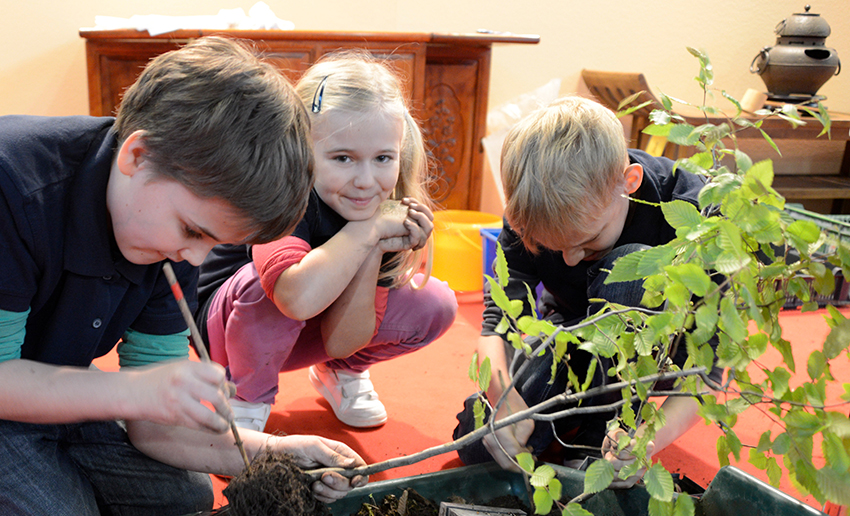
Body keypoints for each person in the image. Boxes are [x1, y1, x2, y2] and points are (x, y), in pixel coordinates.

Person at [0, 37, 369, 516]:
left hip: (49, 390)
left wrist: (274, 450)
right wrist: (132, 392)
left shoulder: (161, 227)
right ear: (137, 155)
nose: (194, 257)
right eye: (193, 231)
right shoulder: (14, 188)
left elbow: (154, 427)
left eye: (213, 244)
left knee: (184, 502)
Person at [453, 96, 722, 487]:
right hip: (573, 332)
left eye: (588, 241)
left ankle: (604, 430)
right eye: (551, 244)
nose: (568, 260)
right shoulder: (530, 208)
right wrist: (504, 402)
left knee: (630, 266)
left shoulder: (692, 212)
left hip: (661, 352)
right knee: (477, 444)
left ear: (628, 183)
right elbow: (498, 325)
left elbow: (708, 373)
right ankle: (581, 412)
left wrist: (645, 440)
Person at [198, 51, 458, 432]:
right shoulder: (286, 193)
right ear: (303, 149)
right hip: (230, 330)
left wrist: (374, 252)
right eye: (343, 158)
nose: (367, 180)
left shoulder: (383, 208)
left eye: (383, 158)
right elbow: (296, 299)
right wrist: (365, 233)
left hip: (306, 325)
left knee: (435, 302)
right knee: (268, 283)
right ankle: (245, 398)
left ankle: (340, 377)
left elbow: (341, 341)